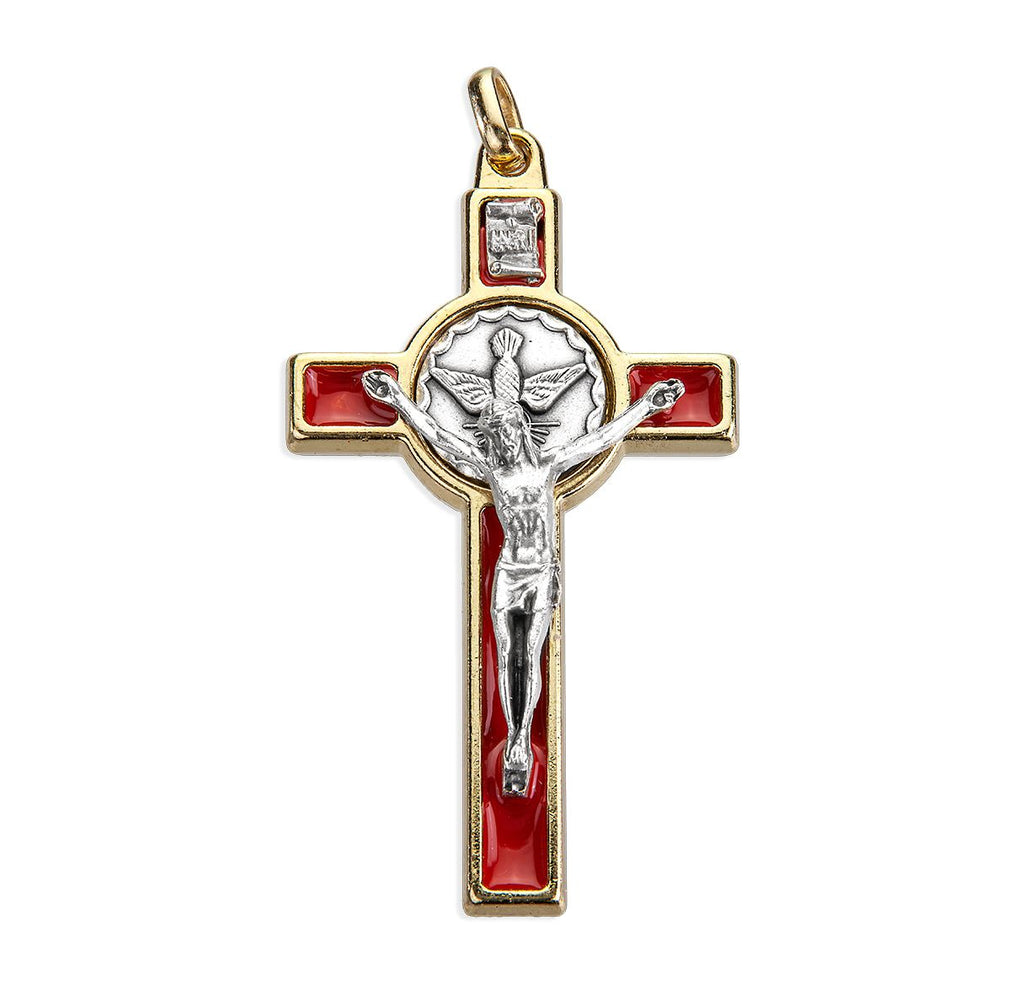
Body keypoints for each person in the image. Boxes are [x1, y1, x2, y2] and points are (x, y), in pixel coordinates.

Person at [363, 367, 684, 794]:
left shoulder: (548, 466)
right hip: (509, 571)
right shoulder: (493, 471)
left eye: (509, 430)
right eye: (497, 434)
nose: (505, 440)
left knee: (529, 654)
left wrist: (645, 406)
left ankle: (520, 739)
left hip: (540, 571)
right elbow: (440, 436)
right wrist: (397, 400)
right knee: (505, 652)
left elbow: (601, 439)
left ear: (521, 428)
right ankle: (513, 735)